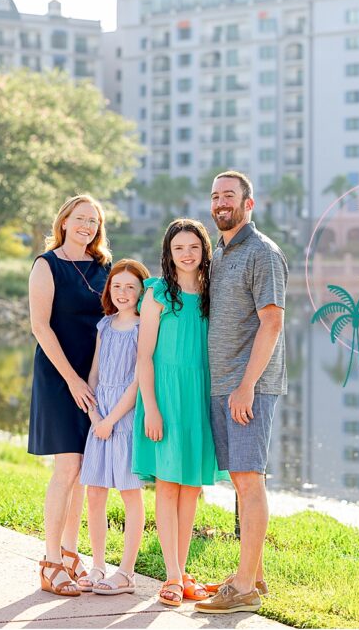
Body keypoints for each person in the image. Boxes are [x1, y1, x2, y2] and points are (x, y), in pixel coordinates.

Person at [196, 171, 288, 615]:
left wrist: (247, 386)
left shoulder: (262, 252)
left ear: (249, 203)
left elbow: (272, 322)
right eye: (215, 197)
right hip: (223, 385)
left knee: (249, 480)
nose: (220, 203)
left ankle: (245, 589)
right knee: (240, 478)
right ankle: (252, 573)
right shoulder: (219, 253)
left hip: (248, 386)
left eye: (228, 196)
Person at [133, 219, 223, 607]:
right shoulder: (156, 294)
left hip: (198, 395)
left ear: (204, 251)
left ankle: (181, 571)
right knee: (168, 484)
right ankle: (171, 576)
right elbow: (143, 357)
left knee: (191, 487)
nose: (187, 254)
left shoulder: (211, 292)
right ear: (168, 254)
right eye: (178, 248)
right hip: (165, 396)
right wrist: (151, 408)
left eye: (194, 247)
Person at [28, 195, 112, 597]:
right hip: (60, 377)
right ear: (63, 221)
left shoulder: (104, 268)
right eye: (80, 219)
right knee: (67, 467)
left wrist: (95, 381)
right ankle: (50, 562)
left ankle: (70, 553)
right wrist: (74, 381)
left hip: (95, 380)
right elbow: (41, 328)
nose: (87, 226)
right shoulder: (46, 265)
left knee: (84, 469)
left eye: (93, 221)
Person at [76, 259, 150, 595]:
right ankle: (97, 566)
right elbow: (94, 374)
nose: (123, 292)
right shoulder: (104, 325)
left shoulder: (142, 328)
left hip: (124, 419)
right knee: (95, 494)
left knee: (130, 494)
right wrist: (95, 416)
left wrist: (110, 419)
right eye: (117, 286)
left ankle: (127, 572)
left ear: (141, 291)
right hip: (100, 416)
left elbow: (137, 382)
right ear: (109, 290)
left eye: (130, 287)